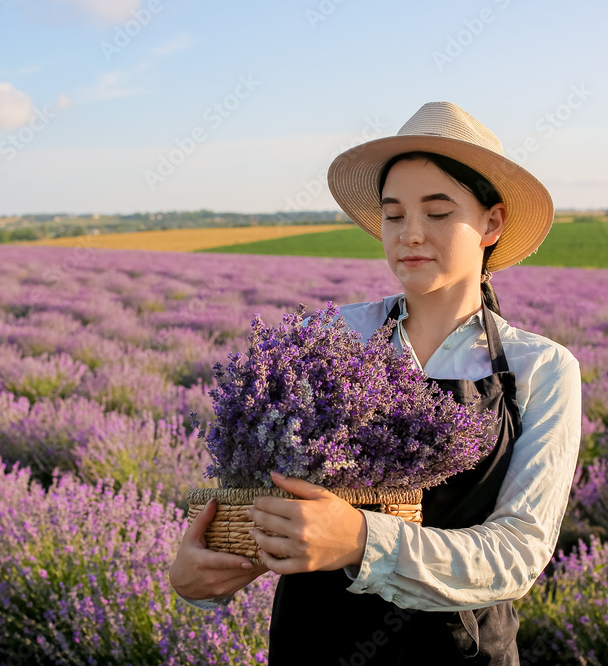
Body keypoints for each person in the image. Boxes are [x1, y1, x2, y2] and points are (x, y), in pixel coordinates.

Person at [168, 101, 582, 664]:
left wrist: (362, 540)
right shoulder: (331, 335)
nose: (410, 233)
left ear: (492, 222)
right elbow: (256, 498)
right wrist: (201, 576)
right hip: (314, 642)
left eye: (438, 213)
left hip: (459, 653)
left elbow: (517, 554)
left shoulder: (541, 367)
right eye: (393, 215)